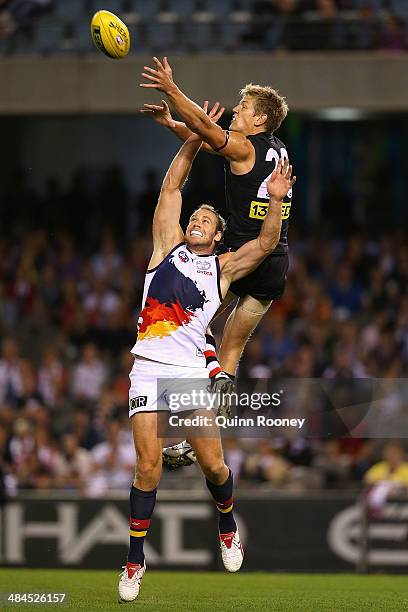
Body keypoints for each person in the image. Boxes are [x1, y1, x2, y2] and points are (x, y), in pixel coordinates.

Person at [118, 127, 295, 601]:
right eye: (193, 217)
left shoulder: (221, 268)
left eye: (204, 220)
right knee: (147, 469)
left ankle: (226, 524)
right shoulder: (164, 250)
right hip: (149, 367)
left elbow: (265, 243)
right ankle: (134, 562)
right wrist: (194, 138)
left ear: (218, 237)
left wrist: (276, 199)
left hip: (192, 371)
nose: (195, 220)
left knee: (214, 467)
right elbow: (171, 187)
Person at [140, 57, 292, 384]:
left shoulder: (244, 148)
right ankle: (218, 408)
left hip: (241, 254)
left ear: (261, 118)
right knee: (232, 346)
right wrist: (172, 125)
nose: (236, 110)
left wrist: (172, 90)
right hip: (275, 258)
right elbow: (206, 139)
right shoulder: (276, 149)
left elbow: (205, 128)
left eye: (244, 106)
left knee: (190, 322)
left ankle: (183, 396)